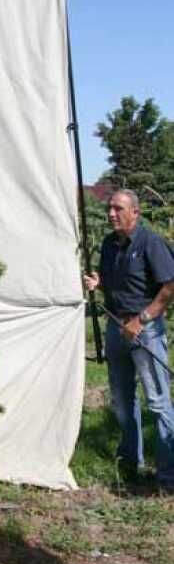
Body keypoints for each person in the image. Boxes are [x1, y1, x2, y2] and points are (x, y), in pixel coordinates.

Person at [84, 188, 174, 486]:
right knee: (122, 401)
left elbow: (169, 286)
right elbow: (114, 281)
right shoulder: (109, 244)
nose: (111, 214)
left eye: (118, 209)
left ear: (135, 212)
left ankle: (168, 474)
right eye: (109, 208)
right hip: (115, 328)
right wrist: (98, 282)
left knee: (158, 401)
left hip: (146, 331)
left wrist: (142, 319)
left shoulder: (150, 242)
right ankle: (131, 464)